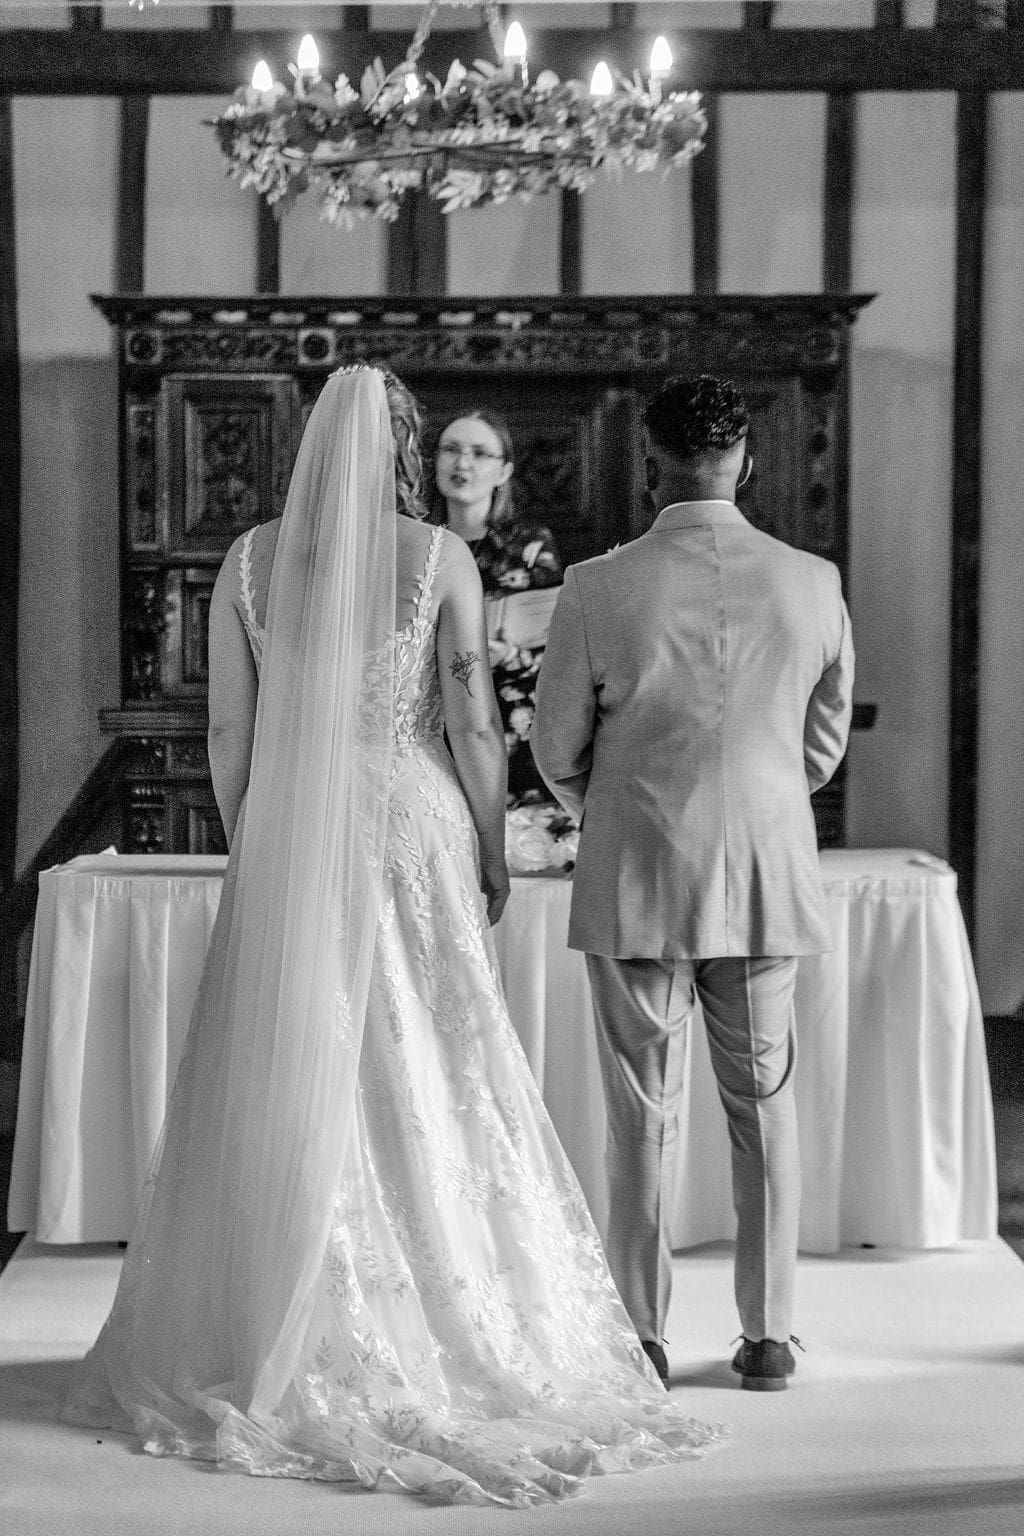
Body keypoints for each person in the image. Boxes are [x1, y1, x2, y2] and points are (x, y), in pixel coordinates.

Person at [62, 366, 720, 1505]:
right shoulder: (437, 557)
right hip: (410, 817)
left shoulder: (249, 559)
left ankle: (270, 1311)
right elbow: (470, 716)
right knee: (434, 1046)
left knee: (291, 1048)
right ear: (407, 450)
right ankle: (448, 1306)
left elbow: (230, 724)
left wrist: (263, 835)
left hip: (288, 823)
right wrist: (491, 843)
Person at [532, 374, 855, 1393]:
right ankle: (767, 1335)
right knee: (764, 1107)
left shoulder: (596, 584)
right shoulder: (812, 580)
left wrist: (623, 797)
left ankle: (641, 1335)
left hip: (637, 864)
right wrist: (753, 792)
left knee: (640, 1115)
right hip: (762, 866)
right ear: (746, 460)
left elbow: (553, 746)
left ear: (647, 464)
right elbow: (822, 746)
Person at [431, 407, 562, 802]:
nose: (462, 462)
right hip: (436, 717)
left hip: (510, 715)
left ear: (504, 472)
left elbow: (561, 649)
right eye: (451, 449)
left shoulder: (530, 545)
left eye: (479, 453)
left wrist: (509, 655)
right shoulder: (419, 543)